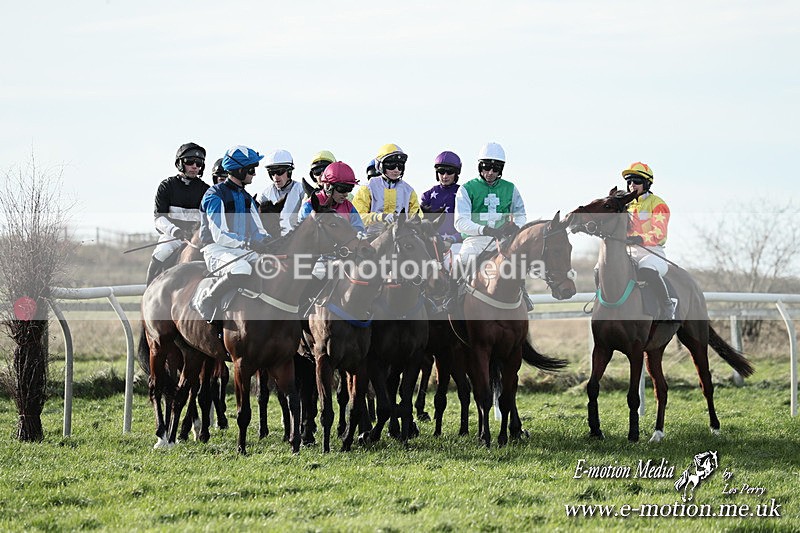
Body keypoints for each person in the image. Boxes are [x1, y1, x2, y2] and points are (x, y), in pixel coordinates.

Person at [197, 145, 272, 322]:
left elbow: (258, 230)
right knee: (242, 268)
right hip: (215, 250)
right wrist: (249, 243)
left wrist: (269, 242)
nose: (254, 174)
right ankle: (207, 299)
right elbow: (220, 235)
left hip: (240, 250)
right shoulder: (214, 195)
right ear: (239, 170)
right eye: (251, 169)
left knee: (272, 266)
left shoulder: (246, 198)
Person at [451, 142, 528, 310]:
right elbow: (460, 222)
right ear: (480, 166)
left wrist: (517, 227)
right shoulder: (467, 188)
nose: (490, 173)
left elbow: (521, 214)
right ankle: (450, 299)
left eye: (495, 169)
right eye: (486, 168)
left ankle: (524, 294)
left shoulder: (511, 188)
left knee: (519, 263)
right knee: (461, 261)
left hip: (502, 241)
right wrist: (484, 229)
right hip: (475, 241)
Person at [146, 142, 210, 284]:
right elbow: (159, 218)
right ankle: (148, 290)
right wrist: (176, 231)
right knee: (161, 253)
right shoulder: (166, 186)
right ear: (180, 163)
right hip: (172, 237)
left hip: (197, 239)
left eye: (199, 163)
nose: (194, 166)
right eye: (190, 162)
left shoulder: (206, 190)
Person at [623, 162, 675, 320]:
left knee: (645, 269)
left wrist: (639, 238)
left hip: (653, 253)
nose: (632, 185)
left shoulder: (658, 204)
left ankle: (667, 305)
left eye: (636, 181)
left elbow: (659, 233)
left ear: (646, 183)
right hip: (629, 252)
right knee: (603, 268)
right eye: (629, 181)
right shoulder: (626, 205)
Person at [352, 143, 421, 236]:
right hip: (371, 238)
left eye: (400, 166)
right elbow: (357, 218)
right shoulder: (368, 188)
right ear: (380, 165)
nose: (396, 170)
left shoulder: (409, 191)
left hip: (400, 238)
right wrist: (381, 217)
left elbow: (417, 217)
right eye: (391, 166)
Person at [298, 161, 365, 234]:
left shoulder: (349, 207)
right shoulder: (308, 207)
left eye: (349, 189)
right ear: (328, 186)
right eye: (342, 189)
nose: (346, 194)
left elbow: (360, 230)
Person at [420, 151, 463, 249]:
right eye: (441, 171)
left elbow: (468, 222)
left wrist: (453, 239)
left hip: (456, 244)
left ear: (456, 173)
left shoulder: (464, 193)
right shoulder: (427, 195)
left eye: (450, 172)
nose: (445, 176)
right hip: (433, 244)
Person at [257, 149, 304, 236]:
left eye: (279, 172)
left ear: (289, 171)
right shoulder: (265, 194)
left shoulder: (301, 190)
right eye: (271, 172)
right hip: (273, 242)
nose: (275, 177)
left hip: (296, 241)